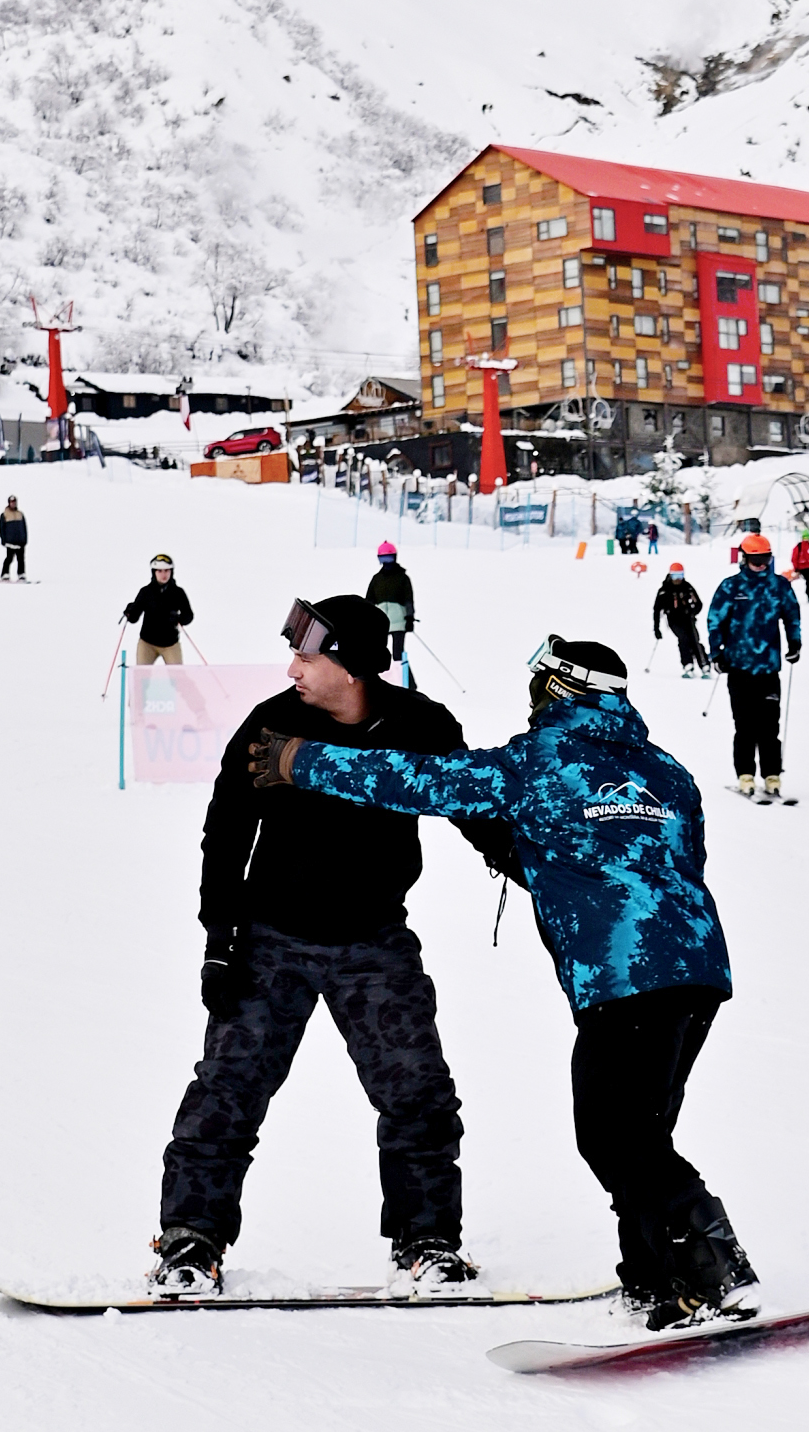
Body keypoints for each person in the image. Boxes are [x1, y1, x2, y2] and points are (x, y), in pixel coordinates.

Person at [249, 632, 758, 1331]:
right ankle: (654, 1275)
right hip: (698, 968)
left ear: (557, 690)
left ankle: (716, 1265)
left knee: (614, 1138)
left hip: (622, 973)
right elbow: (668, 858)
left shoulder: (537, 760)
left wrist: (299, 760)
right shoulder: (666, 771)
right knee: (640, 1132)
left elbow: (418, 780)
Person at [150, 595, 514, 1297]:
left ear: (348, 667)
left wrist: (534, 867)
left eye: (307, 657)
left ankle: (427, 1240)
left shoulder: (420, 725)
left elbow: (472, 806)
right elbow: (225, 836)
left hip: (374, 940)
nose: (292, 669)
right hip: (270, 940)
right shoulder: (272, 725)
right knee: (226, 1093)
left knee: (418, 1095)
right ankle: (190, 1240)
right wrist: (218, 942)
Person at [706, 533, 802, 800]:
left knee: (770, 726)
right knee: (745, 725)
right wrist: (717, 652)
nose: (761, 565)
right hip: (738, 667)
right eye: (756, 560)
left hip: (769, 668)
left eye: (765, 559)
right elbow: (715, 620)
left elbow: (792, 615)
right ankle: (745, 775)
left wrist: (795, 643)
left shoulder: (779, 586)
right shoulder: (731, 587)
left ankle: (772, 775)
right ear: (744, 559)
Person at [123, 554, 194, 663]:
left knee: (177, 676)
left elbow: (188, 615)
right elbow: (134, 617)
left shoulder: (178, 593)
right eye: (159, 571)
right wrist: (130, 612)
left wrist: (179, 618)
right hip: (147, 644)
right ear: (154, 572)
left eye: (166, 570)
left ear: (171, 571)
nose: (163, 574)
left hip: (170, 644)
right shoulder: (146, 592)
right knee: (142, 677)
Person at [653, 562, 710, 676]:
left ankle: (704, 665)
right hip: (674, 620)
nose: (678, 579)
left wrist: (693, 612)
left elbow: (698, 603)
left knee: (694, 640)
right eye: (675, 576)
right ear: (670, 575)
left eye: (680, 575)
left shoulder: (687, 587)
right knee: (683, 639)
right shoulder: (665, 590)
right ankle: (687, 664)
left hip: (688, 618)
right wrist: (657, 628)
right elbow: (657, 610)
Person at [365, 540, 415, 668]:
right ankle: (382, 680)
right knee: (378, 653)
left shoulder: (402, 578)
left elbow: (408, 599)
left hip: (399, 621)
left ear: (394, 558)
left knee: (398, 655)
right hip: (381, 622)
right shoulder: (377, 579)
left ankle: (407, 682)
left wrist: (409, 617)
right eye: (383, 559)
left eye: (389, 558)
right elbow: (369, 600)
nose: (386, 562)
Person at [0, 496, 28, 581]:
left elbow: (24, 527)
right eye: (11, 502)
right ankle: (5, 574)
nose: (13, 504)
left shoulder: (20, 514)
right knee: (9, 558)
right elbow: (1, 528)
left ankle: (21, 574)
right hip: (10, 541)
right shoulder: (4, 514)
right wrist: (3, 540)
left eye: (14, 502)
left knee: (21, 559)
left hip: (20, 541)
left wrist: (25, 539)